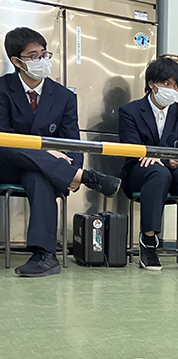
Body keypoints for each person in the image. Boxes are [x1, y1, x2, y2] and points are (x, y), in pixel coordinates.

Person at [0, 27, 120, 277]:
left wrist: (60, 161)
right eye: (33, 56)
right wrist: (49, 154)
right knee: (4, 142)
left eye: (44, 54)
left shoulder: (63, 96)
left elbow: (72, 142)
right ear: (16, 61)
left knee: (38, 176)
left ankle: (45, 256)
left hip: (46, 171)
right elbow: (4, 137)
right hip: (7, 165)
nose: (42, 61)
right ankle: (84, 176)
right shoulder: (2, 89)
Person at [118, 57, 178, 272]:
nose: (172, 90)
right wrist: (165, 160)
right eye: (167, 84)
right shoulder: (130, 111)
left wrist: (172, 160)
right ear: (151, 84)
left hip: (175, 173)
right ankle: (148, 242)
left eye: (176, 86)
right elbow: (131, 148)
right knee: (158, 172)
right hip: (140, 173)